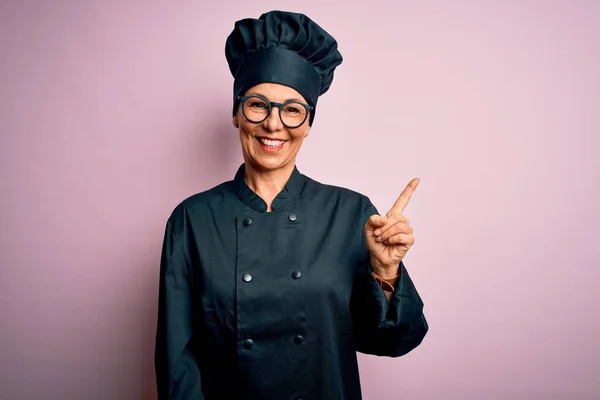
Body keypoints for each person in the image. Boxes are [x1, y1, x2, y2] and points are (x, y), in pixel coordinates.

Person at [154, 10, 428, 400]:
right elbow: (176, 361)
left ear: (309, 123)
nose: (273, 124)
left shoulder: (351, 214)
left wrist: (386, 273)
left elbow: (394, 342)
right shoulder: (192, 220)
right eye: (257, 105)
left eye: (292, 109)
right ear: (236, 113)